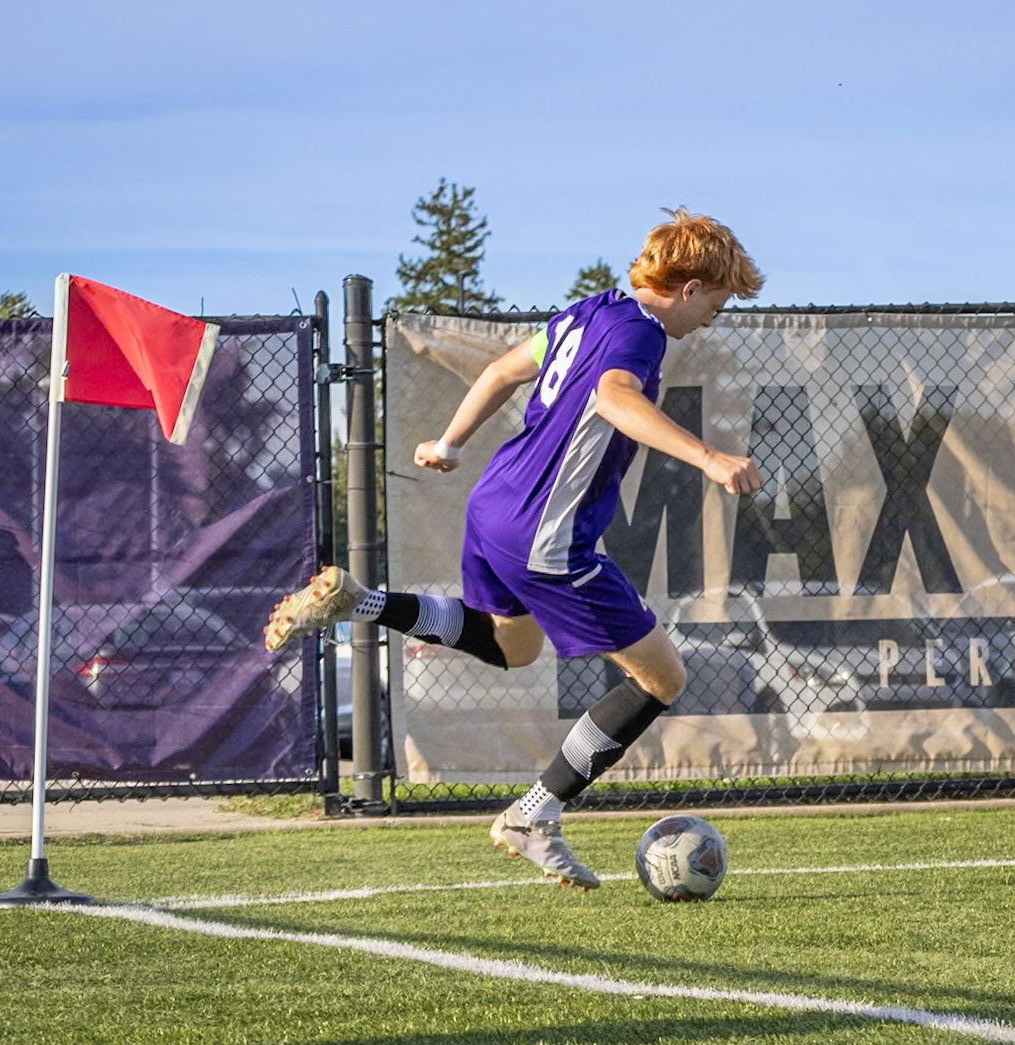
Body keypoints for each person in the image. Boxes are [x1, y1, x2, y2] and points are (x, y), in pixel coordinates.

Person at [265, 207, 765, 890]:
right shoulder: (641, 335)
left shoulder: (585, 313)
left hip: (495, 504)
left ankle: (364, 600)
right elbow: (616, 398)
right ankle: (536, 813)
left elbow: (503, 370)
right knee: (664, 678)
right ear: (687, 285)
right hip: (546, 534)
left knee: (514, 646)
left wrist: (450, 443)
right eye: (717, 301)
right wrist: (708, 458)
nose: (714, 316)